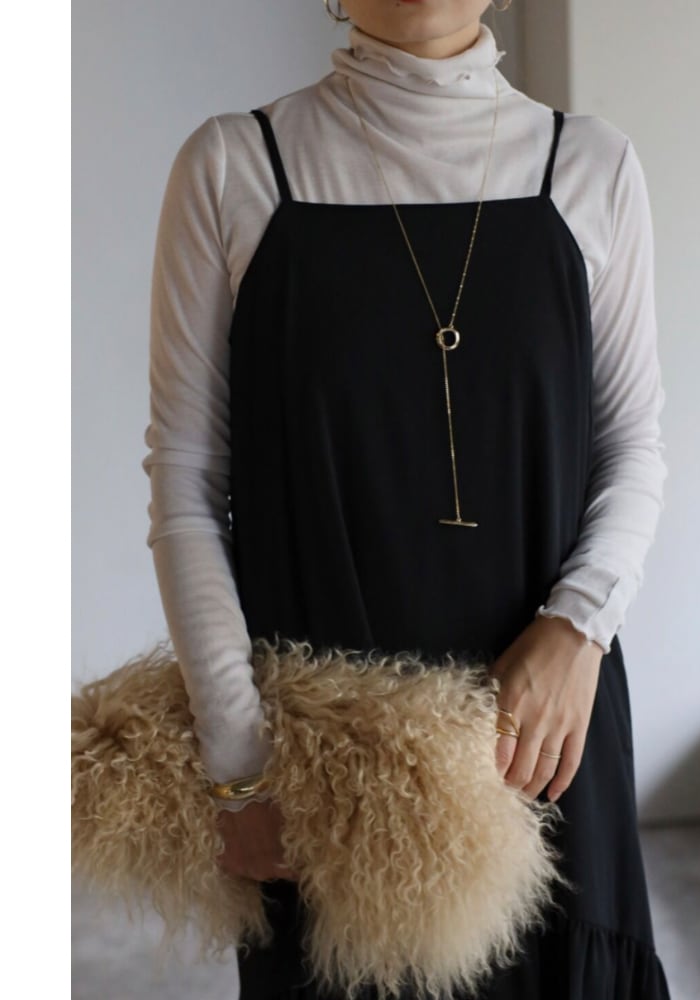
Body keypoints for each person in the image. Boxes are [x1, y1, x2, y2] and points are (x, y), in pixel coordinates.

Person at [142, 1, 671, 997]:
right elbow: (185, 483)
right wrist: (238, 761)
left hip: (543, 740)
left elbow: (633, 447)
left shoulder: (592, 165)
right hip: (323, 773)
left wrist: (579, 628)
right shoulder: (234, 166)